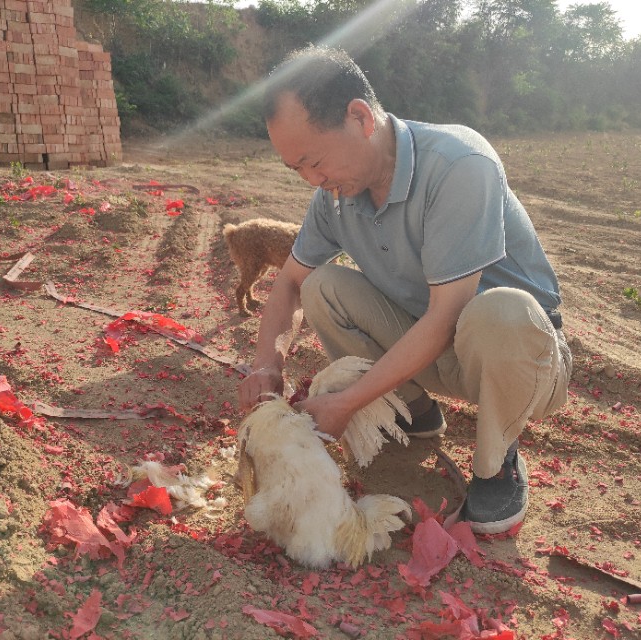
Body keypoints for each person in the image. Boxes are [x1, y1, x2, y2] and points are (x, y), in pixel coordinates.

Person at [237, 45, 572, 534]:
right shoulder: (334, 195)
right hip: (435, 344)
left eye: (314, 161)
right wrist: (268, 363)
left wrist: (347, 403)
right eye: (298, 170)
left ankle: (497, 462)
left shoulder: (459, 165)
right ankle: (412, 412)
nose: (314, 180)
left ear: (359, 117)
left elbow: (448, 315)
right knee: (323, 286)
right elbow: (289, 281)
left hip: (517, 359)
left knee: (501, 311)